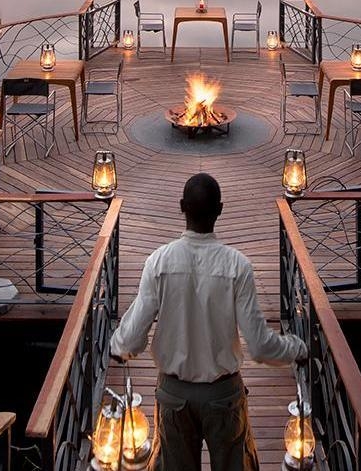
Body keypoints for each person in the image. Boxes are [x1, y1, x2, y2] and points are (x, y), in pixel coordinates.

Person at [109, 172, 306, 471]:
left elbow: (134, 335)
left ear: (181, 207)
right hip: (223, 395)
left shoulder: (159, 262)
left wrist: (117, 346)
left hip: (174, 394)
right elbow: (261, 346)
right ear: (220, 210)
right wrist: (297, 349)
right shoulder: (237, 266)